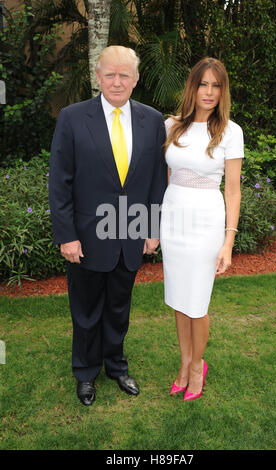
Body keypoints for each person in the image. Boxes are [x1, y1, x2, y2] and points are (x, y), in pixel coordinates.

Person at [49, 46, 167, 406]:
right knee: (85, 311)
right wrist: (66, 235)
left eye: (125, 75)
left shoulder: (152, 120)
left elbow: (155, 181)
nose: (117, 82)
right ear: (97, 77)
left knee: (119, 307)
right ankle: (85, 372)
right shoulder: (72, 118)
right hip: (86, 237)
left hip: (130, 233)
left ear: (135, 79)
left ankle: (116, 365)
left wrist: (152, 229)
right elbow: (60, 182)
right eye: (110, 75)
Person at [160, 57, 244, 401]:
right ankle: (183, 362)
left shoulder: (230, 131)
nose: (209, 92)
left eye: (216, 85)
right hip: (173, 219)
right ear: (192, 87)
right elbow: (166, 178)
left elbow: (234, 190)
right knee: (179, 300)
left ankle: (198, 366)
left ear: (222, 91)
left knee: (197, 302)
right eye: (203, 84)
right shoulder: (172, 126)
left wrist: (228, 241)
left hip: (206, 221)